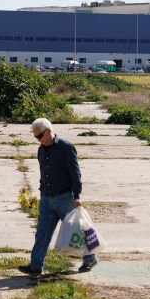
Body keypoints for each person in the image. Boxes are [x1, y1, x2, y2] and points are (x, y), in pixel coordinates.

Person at [18, 117, 98, 275]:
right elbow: (43, 174)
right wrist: (42, 191)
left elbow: (75, 173)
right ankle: (35, 267)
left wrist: (77, 196)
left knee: (77, 231)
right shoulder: (41, 150)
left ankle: (90, 259)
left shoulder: (65, 147)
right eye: (35, 137)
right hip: (47, 199)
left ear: (48, 131)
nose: (38, 140)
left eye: (40, 136)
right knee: (42, 233)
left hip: (65, 198)